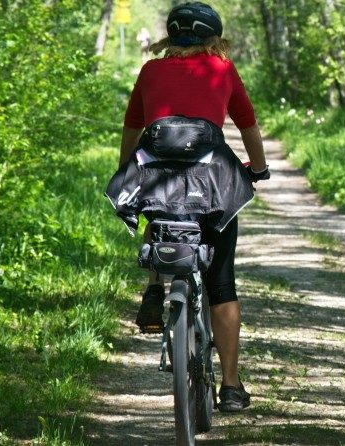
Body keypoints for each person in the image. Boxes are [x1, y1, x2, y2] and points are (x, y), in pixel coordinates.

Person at [117, 2, 270, 412]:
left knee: (157, 207)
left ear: (171, 37)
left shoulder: (150, 71)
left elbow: (133, 128)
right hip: (211, 180)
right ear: (213, 38)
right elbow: (248, 124)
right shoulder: (222, 69)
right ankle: (232, 387)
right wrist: (259, 169)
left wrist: (125, 171)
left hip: (157, 174)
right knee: (222, 283)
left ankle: (154, 285)